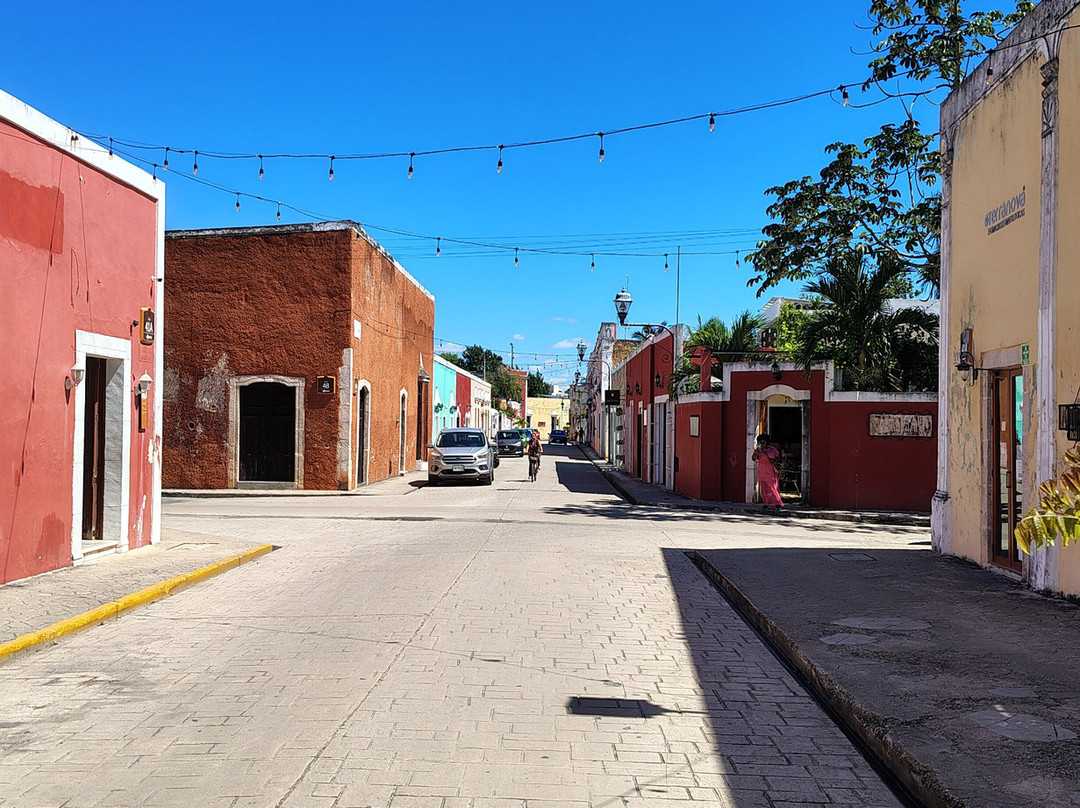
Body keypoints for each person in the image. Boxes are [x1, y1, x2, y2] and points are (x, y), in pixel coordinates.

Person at [752, 433, 783, 508]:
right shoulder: (759, 451)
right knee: (764, 487)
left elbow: (779, 457)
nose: (762, 444)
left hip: (771, 469)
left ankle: (777, 502)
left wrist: (774, 460)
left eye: (763, 442)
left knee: (773, 486)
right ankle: (766, 503)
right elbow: (753, 459)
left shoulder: (772, 449)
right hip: (762, 470)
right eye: (760, 442)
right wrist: (755, 452)